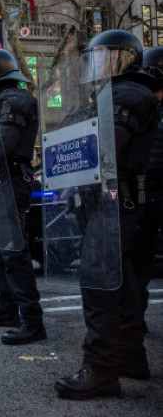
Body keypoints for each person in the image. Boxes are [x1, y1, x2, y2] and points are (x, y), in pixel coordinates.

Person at [55, 30, 158, 399]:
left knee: (99, 281)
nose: (98, 67)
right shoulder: (119, 92)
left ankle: (101, 370)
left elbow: (107, 145)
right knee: (122, 280)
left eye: (106, 58)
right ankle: (129, 356)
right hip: (118, 200)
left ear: (126, 58)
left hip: (115, 200)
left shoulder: (127, 93)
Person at [0, 48, 44, 345]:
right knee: (2, 252)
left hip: (11, 181)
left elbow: (2, 144)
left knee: (15, 253)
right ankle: (6, 309)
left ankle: (32, 320)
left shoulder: (16, 99)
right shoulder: (0, 101)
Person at [130, 46, 163, 333]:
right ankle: (134, 323)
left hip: (151, 187)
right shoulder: (144, 104)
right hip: (145, 189)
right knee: (138, 260)